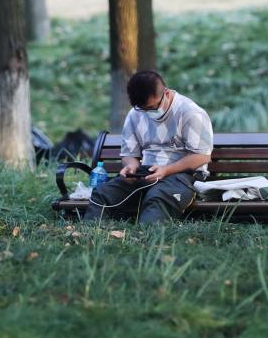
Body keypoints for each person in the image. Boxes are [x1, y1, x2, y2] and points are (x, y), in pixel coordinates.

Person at [84, 70, 214, 224]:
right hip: (146, 172)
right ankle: (90, 233)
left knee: (158, 196)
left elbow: (202, 156)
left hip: (183, 175)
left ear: (165, 93)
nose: (147, 112)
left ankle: (145, 239)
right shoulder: (135, 113)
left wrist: (166, 170)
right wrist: (131, 167)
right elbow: (129, 153)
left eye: (152, 108)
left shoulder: (190, 113)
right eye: (142, 109)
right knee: (103, 192)